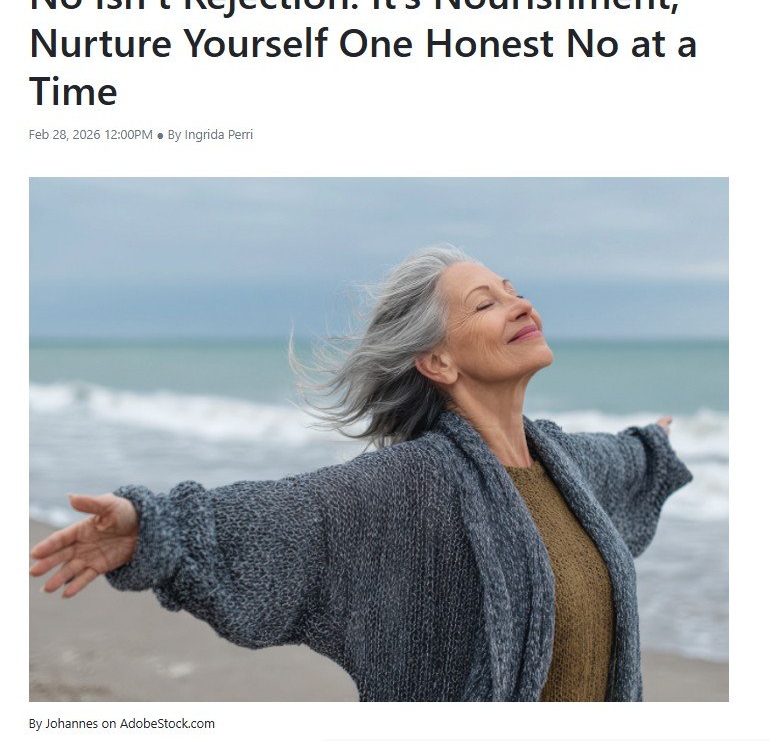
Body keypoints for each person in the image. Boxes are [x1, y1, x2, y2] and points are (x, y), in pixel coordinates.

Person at [29, 245, 691, 702]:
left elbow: (628, 463)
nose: (521, 305)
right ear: (437, 362)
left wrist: (652, 447)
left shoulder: (571, 465)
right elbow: (288, 520)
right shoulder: (407, 488)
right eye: (487, 304)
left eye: (516, 292)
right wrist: (151, 530)